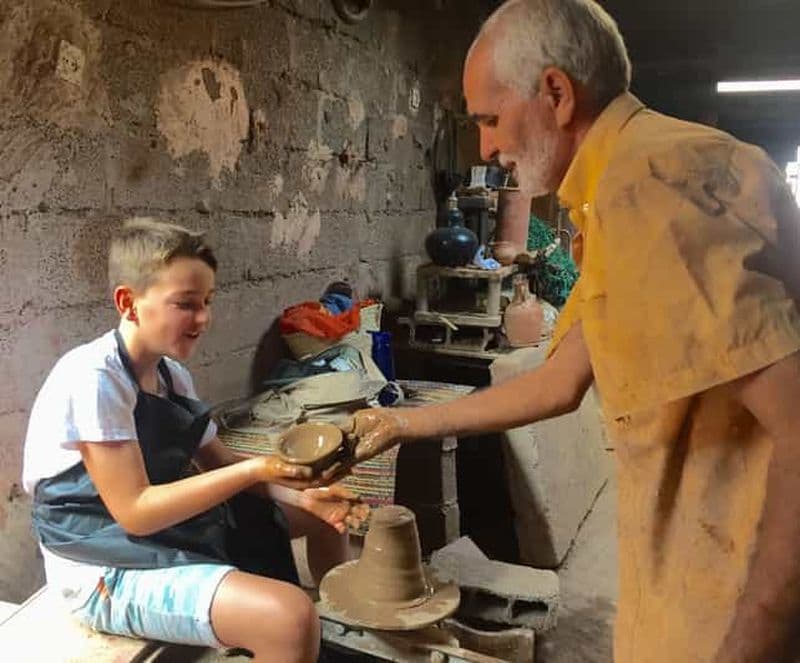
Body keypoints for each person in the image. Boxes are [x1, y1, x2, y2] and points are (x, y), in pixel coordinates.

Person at [347, 2, 800, 662]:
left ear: (556, 93)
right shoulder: (621, 189)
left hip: (731, 605)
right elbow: (558, 384)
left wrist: (754, 634)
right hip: (679, 574)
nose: (485, 149)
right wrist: (400, 425)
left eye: (490, 119)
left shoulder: (651, 184)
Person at [22, 218, 368, 663]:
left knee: (324, 519)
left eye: (207, 301)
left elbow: (220, 462)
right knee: (288, 616)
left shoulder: (171, 375)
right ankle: (291, 639)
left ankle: (333, 634)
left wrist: (308, 498)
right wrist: (256, 468)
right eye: (185, 304)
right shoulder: (95, 379)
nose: (203, 318)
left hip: (156, 530)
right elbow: (136, 512)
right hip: (99, 562)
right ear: (129, 303)